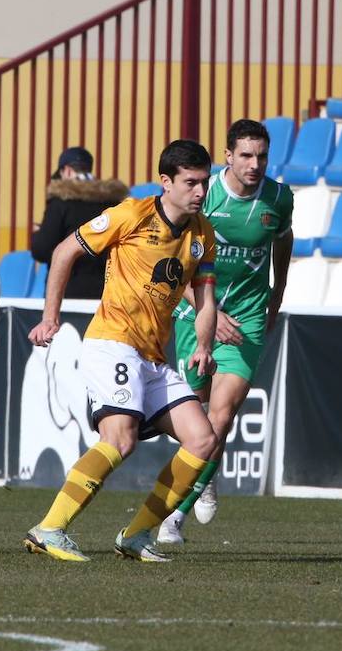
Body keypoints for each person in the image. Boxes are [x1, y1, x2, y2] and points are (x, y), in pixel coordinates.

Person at [23, 139, 220, 563]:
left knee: (203, 439)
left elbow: (205, 298)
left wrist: (204, 344)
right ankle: (49, 529)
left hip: (152, 356)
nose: (201, 192)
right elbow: (63, 251)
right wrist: (50, 318)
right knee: (120, 438)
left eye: (205, 182)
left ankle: (136, 535)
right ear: (166, 182)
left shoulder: (203, 233)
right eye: (191, 183)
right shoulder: (132, 213)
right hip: (112, 342)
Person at [157, 119, 294, 545]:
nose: (255, 165)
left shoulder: (278, 198)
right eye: (246, 155)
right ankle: (207, 471)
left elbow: (283, 244)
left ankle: (173, 515)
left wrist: (277, 294)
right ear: (228, 156)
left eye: (262, 156)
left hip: (249, 316)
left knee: (222, 413)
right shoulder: (205, 196)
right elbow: (173, 261)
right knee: (195, 413)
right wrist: (209, 313)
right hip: (194, 311)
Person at [29, 147, 129, 299]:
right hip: (106, 294)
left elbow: (42, 250)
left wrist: (37, 233)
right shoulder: (113, 201)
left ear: (67, 171)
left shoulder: (61, 201)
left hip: (67, 293)